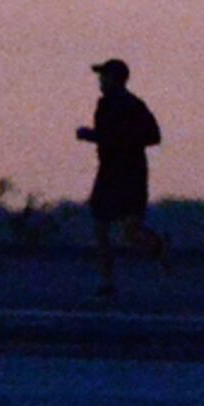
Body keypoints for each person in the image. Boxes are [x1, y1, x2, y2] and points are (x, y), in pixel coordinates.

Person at [78, 58, 167, 297]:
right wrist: (96, 136)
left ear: (116, 79)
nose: (100, 81)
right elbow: (108, 136)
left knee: (130, 231)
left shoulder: (132, 106)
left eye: (104, 77)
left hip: (129, 173)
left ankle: (159, 250)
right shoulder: (104, 105)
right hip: (109, 171)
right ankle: (107, 282)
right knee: (102, 227)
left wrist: (104, 137)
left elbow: (153, 136)